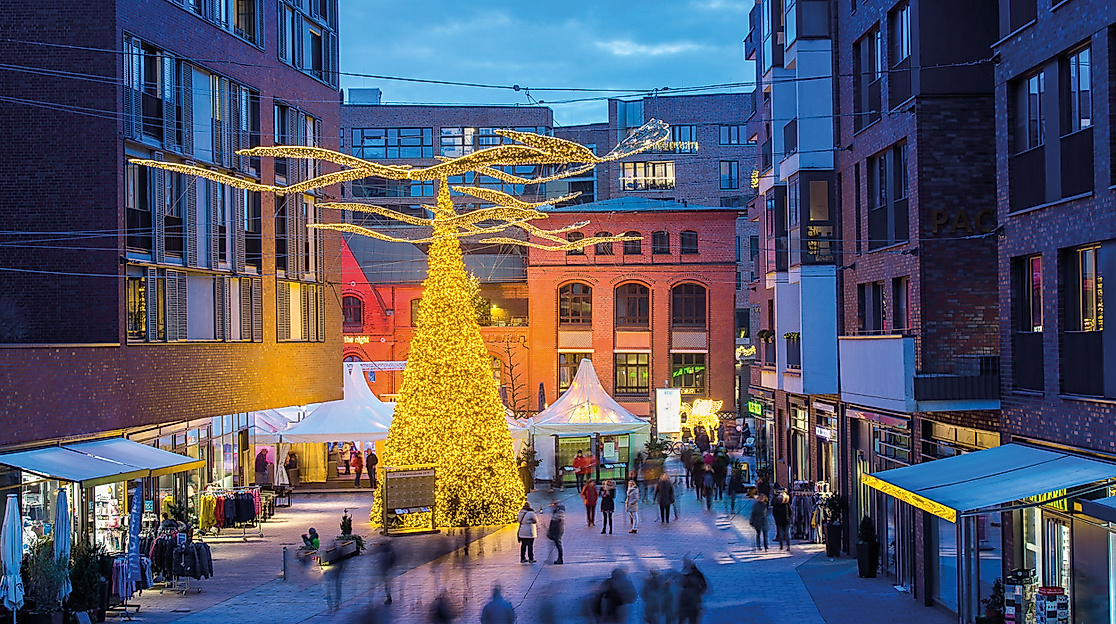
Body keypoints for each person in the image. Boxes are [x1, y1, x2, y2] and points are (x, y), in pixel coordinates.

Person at [677, 558, 708, 624]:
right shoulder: (684, 574)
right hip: (687, 602)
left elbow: (704, 587)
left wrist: (697, 593)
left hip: (691, 603)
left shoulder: (696, 575)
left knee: (690, 619)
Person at [376, 539, 397, 604]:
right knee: (387, 584)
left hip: (386, 571)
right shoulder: (390, 553)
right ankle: (388, 596)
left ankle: (388, 597)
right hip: (386, 570)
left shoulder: (386, 554)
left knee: (387, 584)